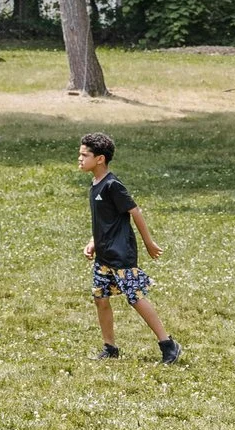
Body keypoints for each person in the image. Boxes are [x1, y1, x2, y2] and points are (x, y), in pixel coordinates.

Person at [78, 133, 182, 364]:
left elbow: (134, 212)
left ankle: (168, 344)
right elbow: (105, 220)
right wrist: (93, 241)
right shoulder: (95, 185)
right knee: (100, 298)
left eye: (85, 155)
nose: (80, 159)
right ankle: (110, 347)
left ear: (100, 159)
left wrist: (149, 243)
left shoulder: (112, 185)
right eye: (80, 154)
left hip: (121, 255)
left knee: (135, 297)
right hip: (104, 256)